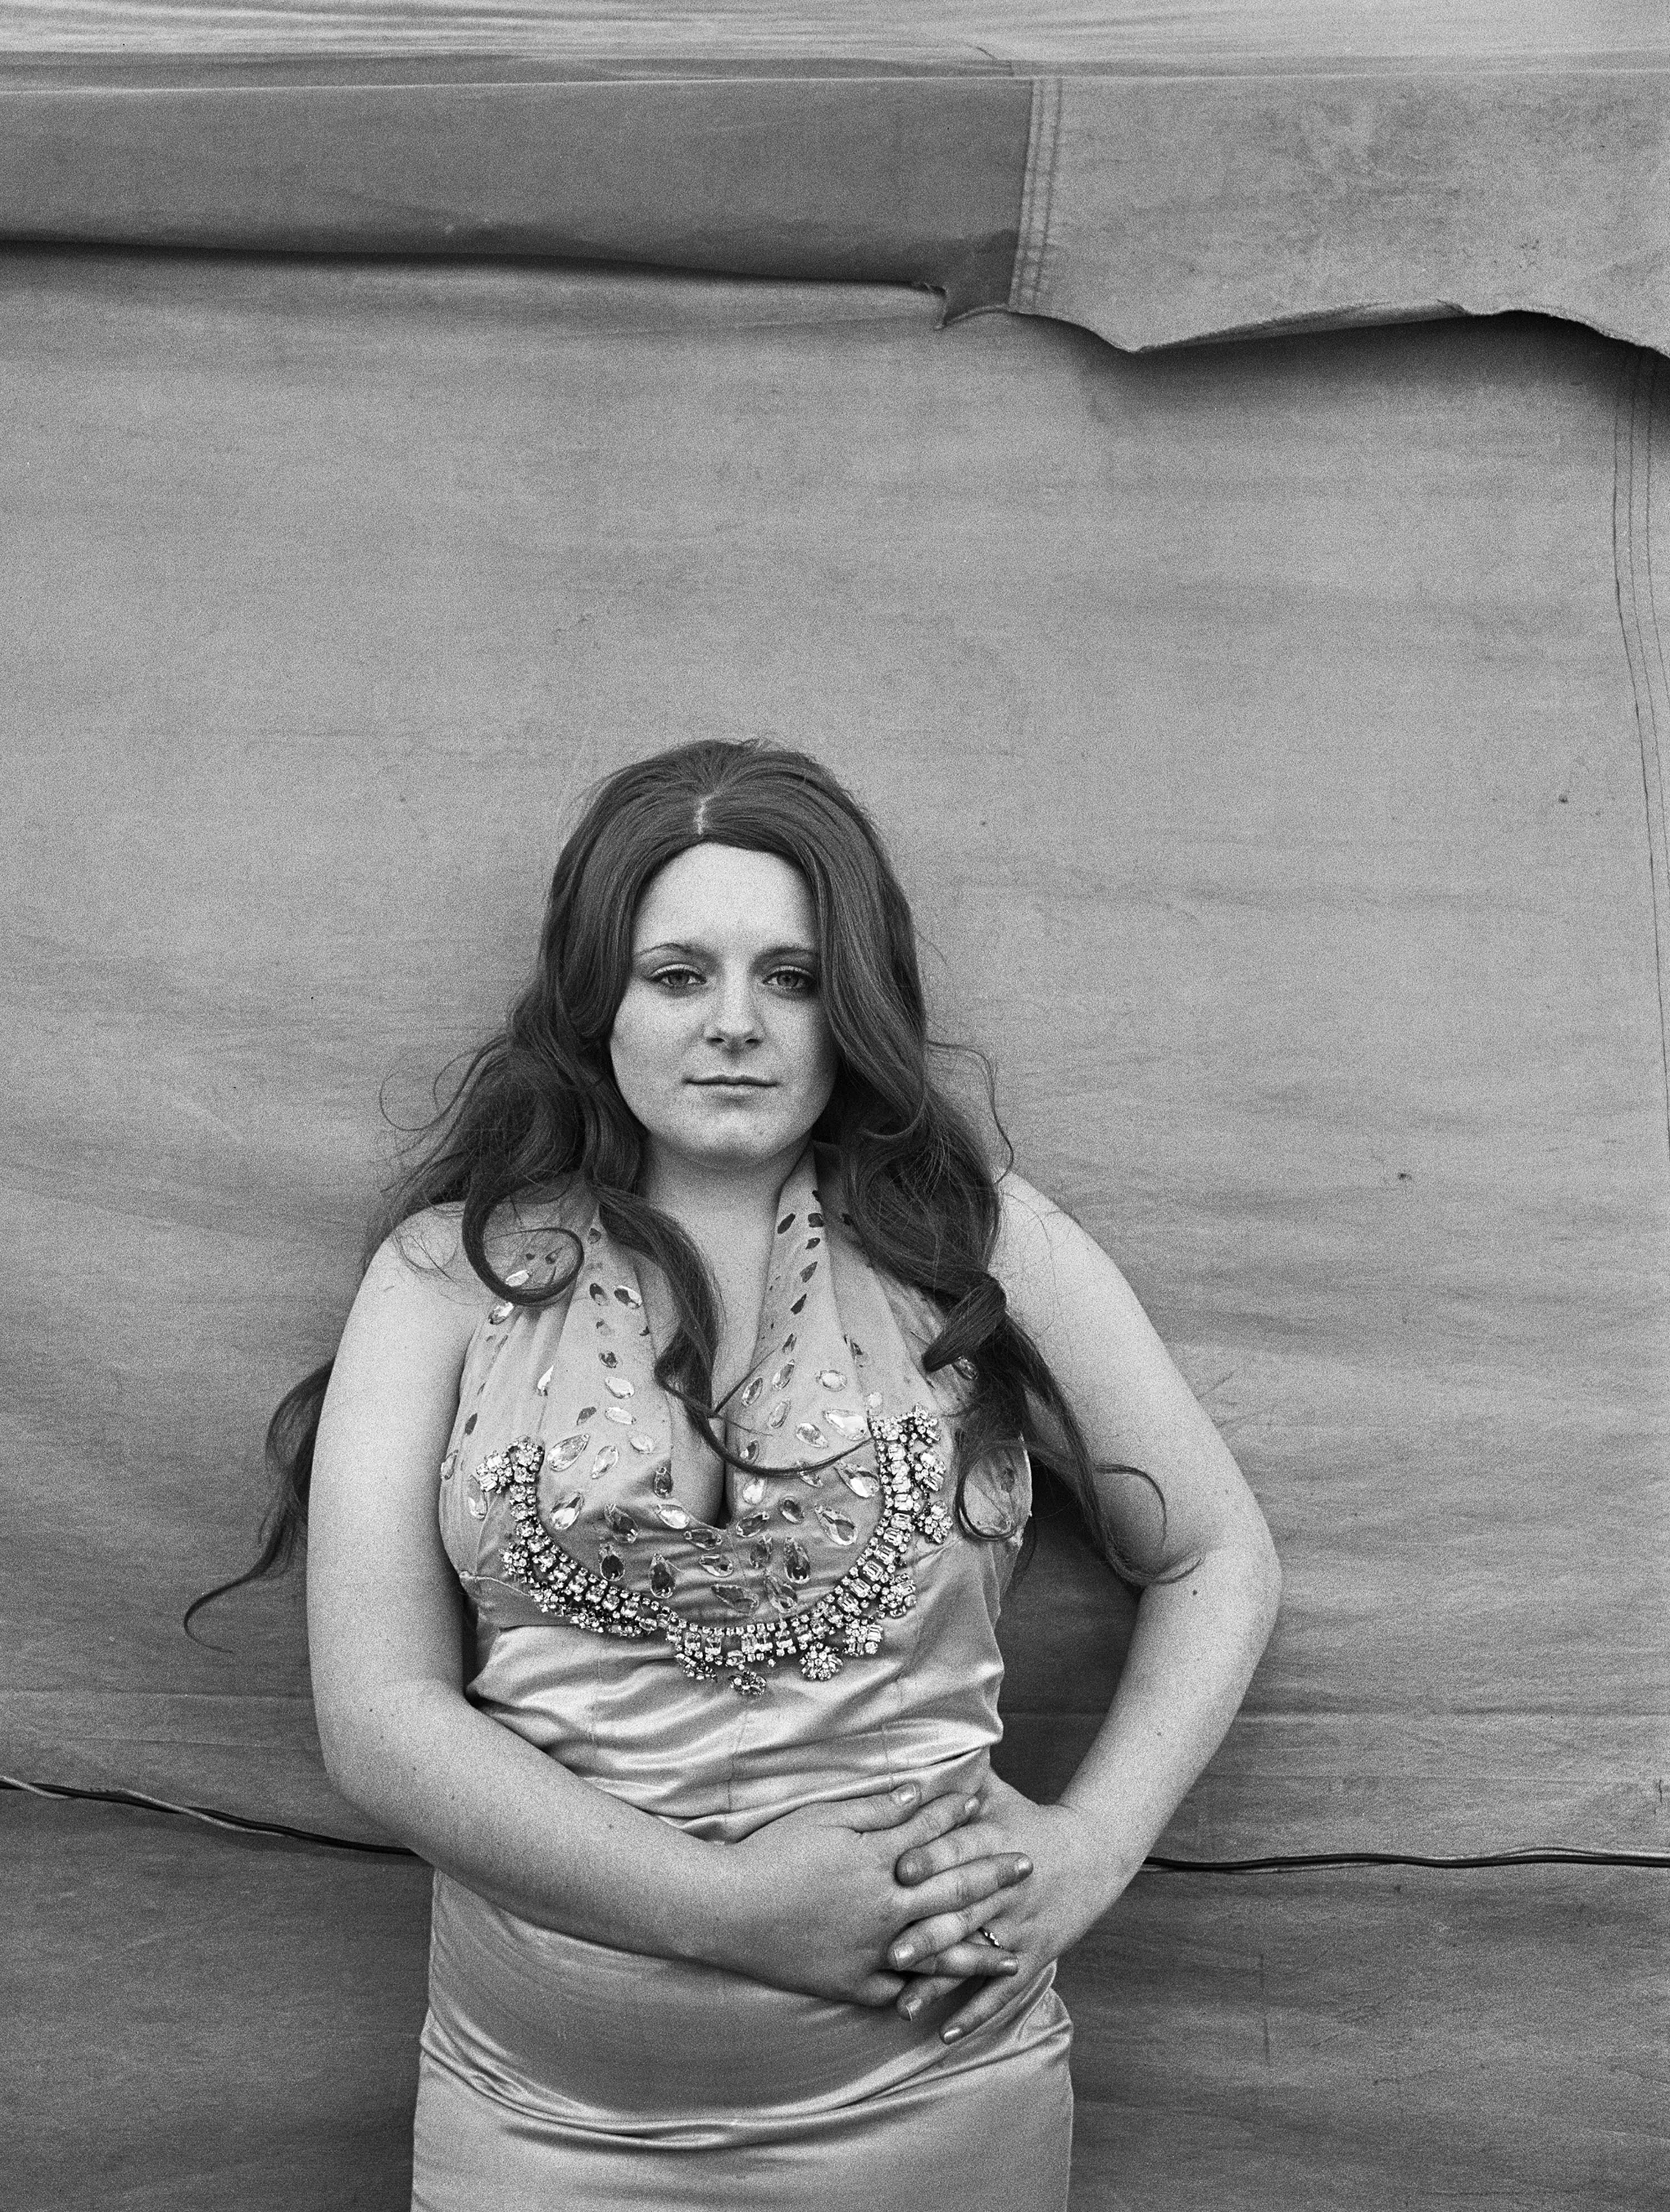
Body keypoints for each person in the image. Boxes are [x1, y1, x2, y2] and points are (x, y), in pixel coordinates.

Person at [197, 742, 1282, 2209]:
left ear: (855, 1005)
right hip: (535, 2130)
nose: (734, 1025)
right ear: (598, 998)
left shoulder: (981, 1245)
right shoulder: (445, 1279)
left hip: (939, 2115)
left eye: (791, 976)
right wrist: (731, 1909)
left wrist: (1090, 1850)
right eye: (676, 974)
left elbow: (1219, 1557)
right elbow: (379, 1720)